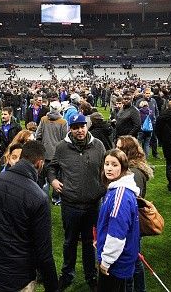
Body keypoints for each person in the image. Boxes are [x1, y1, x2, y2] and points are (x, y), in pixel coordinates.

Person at [0, 140, 58, 292]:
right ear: (40, 163)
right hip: (18, 279)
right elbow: (44, 252)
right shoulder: (38, 197)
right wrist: (52, 287)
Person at [47, 114, 106, 291]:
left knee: (90, 242)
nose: (79, 130)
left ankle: (91, 276)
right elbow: (52, 167)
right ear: (70, 129)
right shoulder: (62, 147)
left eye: (82, 126)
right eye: (75, 127)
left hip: (93, 205)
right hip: (70, 204)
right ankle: (67, 275)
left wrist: (102, 189)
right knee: (69, 241)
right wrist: (53, 181)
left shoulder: (99, 145)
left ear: (86, 126)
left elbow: (107, 168)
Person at [96, 149, 140, 292]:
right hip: (119, 258)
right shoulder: (116, 188)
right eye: (107, 163)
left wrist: (106, 261)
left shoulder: (120, 194)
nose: (109, 168)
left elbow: (117, 234)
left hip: (116, 262)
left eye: (114, 164)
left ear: (123, 167)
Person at [116, 135, 153, 292]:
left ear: (128, 151)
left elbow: (131, 201)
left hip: (131, 224)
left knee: (133, 262)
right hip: (129, 222)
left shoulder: (134, 173)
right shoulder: (129, 170)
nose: (116, 150)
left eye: (119, 148)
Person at [0, 107, 22, 171]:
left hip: (13, 153)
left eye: (5, 114)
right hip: (3, 154)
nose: (3, 116)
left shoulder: (17, 126)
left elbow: (20, 141)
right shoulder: (0, 128)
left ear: (10, 115)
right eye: (2, 114)